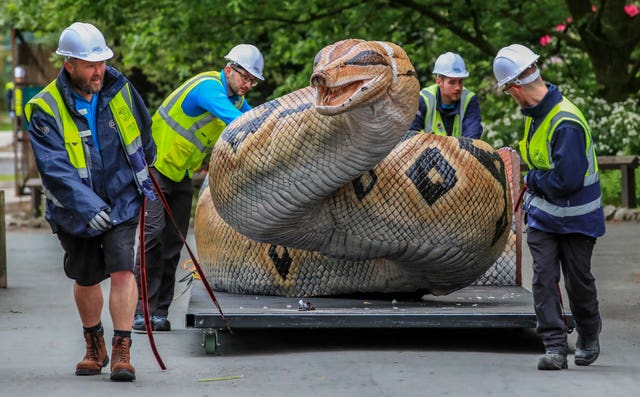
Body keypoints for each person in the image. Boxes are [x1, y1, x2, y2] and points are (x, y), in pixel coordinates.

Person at [24, 22, 156, 382]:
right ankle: (93, 343)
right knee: (86, 276)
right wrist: (87, 207)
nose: (98, 71)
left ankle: (122, 350)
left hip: (122, 199)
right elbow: (54, 169)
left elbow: (144, 135)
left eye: (102, 63)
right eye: (89, 64)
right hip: (75, 210)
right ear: (69, 64)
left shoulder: (120, 90)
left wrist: (143, 177)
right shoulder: (44, 107)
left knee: (122, 270)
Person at [132, 43, 264, 332]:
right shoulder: (208, 88)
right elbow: (240, 123)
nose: (248, 84)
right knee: (152, 237)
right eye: (245, 78)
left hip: (180, 175)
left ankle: (159, 312)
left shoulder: (237, 101)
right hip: (154, 168)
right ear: (229, 70)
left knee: (172, 244)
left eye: (253, 81)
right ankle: (141, 310)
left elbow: (259, 120)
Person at [493, 44, 605, 371]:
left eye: (508, 92)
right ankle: (555, 345)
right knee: (543, 279)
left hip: (578, 220)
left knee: (578, 281)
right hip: (543, 217)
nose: (510, 98)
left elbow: (566, 181)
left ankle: (587, 333)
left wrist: (534, 179)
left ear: (514, 88)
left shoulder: (565, 122)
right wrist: (538, 184)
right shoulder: (535, 114)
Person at [409, 52, 483, 139]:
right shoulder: (424, 99)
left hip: (461, 152)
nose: (458, 87)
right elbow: (411, 136)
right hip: (427, 152)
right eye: (452, 82)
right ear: (439, 82)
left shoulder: (469, 99)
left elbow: (472, 138)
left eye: (460, 81)